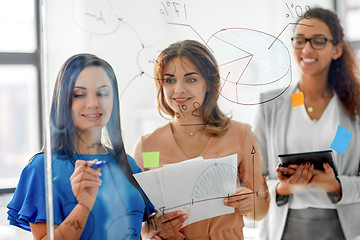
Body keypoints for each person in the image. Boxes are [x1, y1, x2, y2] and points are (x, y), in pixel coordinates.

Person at [7, 53, 155, 240]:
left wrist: (159, 231)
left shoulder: (128, 164)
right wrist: (83, 206)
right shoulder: (43, 169)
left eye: (102, 93)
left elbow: (139, 231)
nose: (93, 103)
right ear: (64, 101)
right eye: (79, 94)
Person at [133, 40, 270, 239]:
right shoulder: (148, 147)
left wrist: (251, 203)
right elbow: (137, 222)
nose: (178, 89)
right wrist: (154, 228)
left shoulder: (242, 135)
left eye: (191, 79)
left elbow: (261, 210)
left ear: (209, 84)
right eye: (170, 80)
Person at [254, 7, 360, 240]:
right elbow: (254, 180)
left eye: (318, 41)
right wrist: (283, 188)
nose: (307, 49)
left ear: (337, 49)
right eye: (300, 40)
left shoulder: (354, 108)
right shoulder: (271, 106)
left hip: (341, 229)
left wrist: (336, 185)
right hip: (284, 227)